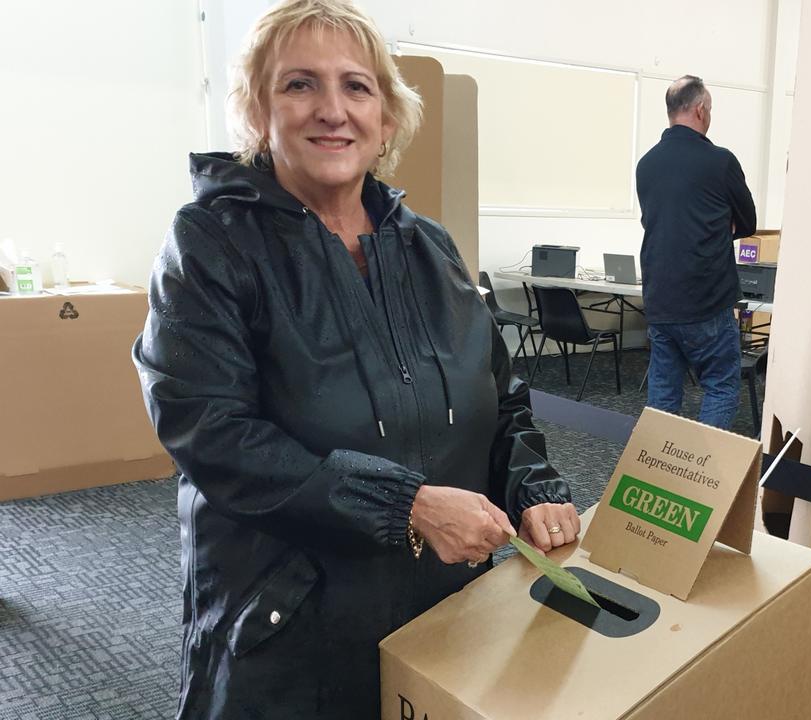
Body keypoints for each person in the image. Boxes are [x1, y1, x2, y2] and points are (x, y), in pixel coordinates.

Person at [132, 1, 580, 717]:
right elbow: (210, 433)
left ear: (388, 118)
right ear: (257, 110)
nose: (331, 110)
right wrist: (406, 504)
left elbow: (503, 396)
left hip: (442, 613)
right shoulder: (211, 244)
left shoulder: (428, 247)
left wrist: (533, 487)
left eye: (357, 87)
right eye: (299, 84)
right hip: (292, 628)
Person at [635, 75, 757, 430]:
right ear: (701, 110)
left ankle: (660, 472)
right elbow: (747, 222)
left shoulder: (646, 164)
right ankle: (700, 477)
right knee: (720, 388)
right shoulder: (719, 162)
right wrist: (722, 222)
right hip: (706, 300)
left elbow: (659, 221)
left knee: (662, 398)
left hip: (660, 299)